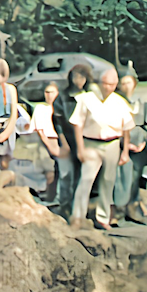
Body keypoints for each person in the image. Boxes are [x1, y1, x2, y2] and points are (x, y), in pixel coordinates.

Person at [69, 66, 135, 230]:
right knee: (86, 180)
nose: (108, 87)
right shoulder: (87, 99)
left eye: (112, 84)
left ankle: (103, 217)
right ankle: (78, 216)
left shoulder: (120, 102)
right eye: (106, 83)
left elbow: (127, 128)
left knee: (108, 181)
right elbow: (77, 123)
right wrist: (80, 148)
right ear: (100, 82)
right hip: (91, 143)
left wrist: (125, 151)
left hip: (112, 143)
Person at [52, 63, 92, 220]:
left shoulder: (90, 96)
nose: (79, 80)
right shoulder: (62, 96)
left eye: (82, 77)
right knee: (67, 175)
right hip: (68, 140)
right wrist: (63, 142)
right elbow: (57, 120)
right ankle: (65, 207)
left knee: (82, 176)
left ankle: (80, 209)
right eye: (76, 76)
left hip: (86, 141)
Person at [114, 66, 147, 223]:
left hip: (139, 146)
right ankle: (119, 208)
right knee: (120, 175)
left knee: (137, 173)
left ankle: (134, 205)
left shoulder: (141, 104)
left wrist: (143, 142)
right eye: (123, 83)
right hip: (121, 145)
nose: (126, 86)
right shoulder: (116, 103)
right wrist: (125, 145)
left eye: (129, 82)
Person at [32, 81, 62, 205]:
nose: (49, 95)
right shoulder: (40, 108)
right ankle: (51, 197)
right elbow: (39, 129)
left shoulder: (60, 107)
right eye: (47, 92)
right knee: (49, 171)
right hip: (47, 140)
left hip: (60, 140)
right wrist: (49, 145)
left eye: (52, 92)